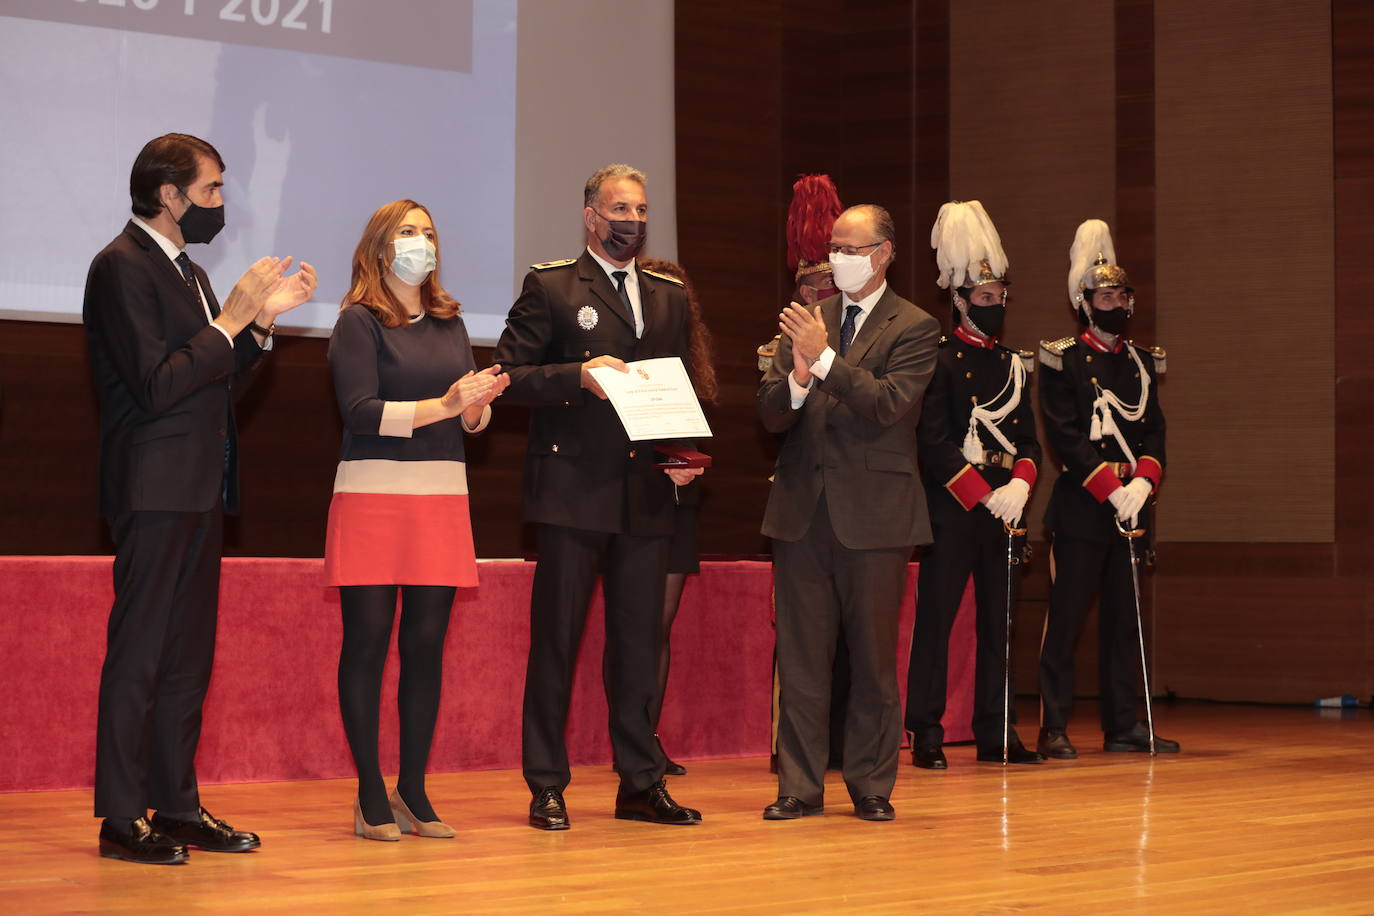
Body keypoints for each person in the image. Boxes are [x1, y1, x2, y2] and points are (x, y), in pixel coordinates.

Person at [83, 133, 316, 865]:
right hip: (152, 488)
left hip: (199, 487)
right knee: (141, 653)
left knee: (187, 656)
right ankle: (122, 818)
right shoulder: (120, 267)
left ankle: (176, 805)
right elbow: (155, 386)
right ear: (168, 195)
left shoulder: (189, 274)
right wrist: (229, 320)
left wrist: (261, 324)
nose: (222, 203)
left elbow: (216, 381)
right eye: (212, 190)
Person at [493, 164, 705, 829]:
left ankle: (640, 782)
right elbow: (511, 375)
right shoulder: (552, 286)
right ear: (591, 216)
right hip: (572, 493)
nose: (633, 222)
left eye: (642, 211)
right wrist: (575, 376)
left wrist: (684, 459)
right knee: (556, 642)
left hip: (646, 496)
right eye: (620, 209)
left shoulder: (668, 294)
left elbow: (677, 389)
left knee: (639, 645)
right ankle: (547, 784)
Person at [325, 200, 508, 840]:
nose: (421, 242)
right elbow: (360, 411)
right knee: (369, 644)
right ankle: (370, 791)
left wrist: (476, 407)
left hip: (440, 498)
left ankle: (414, 789)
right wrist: (446, 402)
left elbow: (467, 420)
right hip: (373, 496)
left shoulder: (450, 322)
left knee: (425, 648)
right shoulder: (358, 321)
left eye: (429, 232)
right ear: (380, 246)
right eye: (408, 232)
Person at [758, 204, 940, 821]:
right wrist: (800, 380)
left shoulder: (915, 326)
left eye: (851, 248)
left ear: (883, 254)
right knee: (803, 661)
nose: (837, 257)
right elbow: (769, 413)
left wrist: (827, 362)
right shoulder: (811, 321)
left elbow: (890, 405)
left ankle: (870, 785)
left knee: (872, 661)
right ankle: (799, 786)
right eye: (834, 246)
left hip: (877, 516)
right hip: (802, 512)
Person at [906, 201, 1045, 769]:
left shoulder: (1014, 364)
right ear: (960, 301)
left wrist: (1020, 487)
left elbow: (1031, 444)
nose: (995, 307)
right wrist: (981, 493)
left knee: (1001, 626)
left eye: (1000, 299)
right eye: (985, 299)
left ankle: (999, 733)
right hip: (955, 507)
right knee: (935, 623)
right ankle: (928, 733)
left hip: (1005, 507)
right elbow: (932, 442)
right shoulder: (938, 360)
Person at [1036, 219, 1179, 759]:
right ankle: (1054, 726)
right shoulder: (1063, 357)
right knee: (1066, 622)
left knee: (1126, 621)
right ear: (1085, 301)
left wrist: (1143, 481)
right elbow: (1065, 434)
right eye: (1104, 294)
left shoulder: (1142, 361)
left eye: (1121, 294)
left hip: (1133, 509)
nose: (1114, 302)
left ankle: (1126, 725)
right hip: (1082, 509)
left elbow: (1155, 430)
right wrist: (1108, 486)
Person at [628, 256, 717, 778]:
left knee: (658, 627)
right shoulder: (622, 354)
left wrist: (690, 462)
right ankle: (631, 739)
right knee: (634, 627)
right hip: (632, 501)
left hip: (680, 504)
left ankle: (648, 739)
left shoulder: (691, 356)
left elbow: (698, 432)